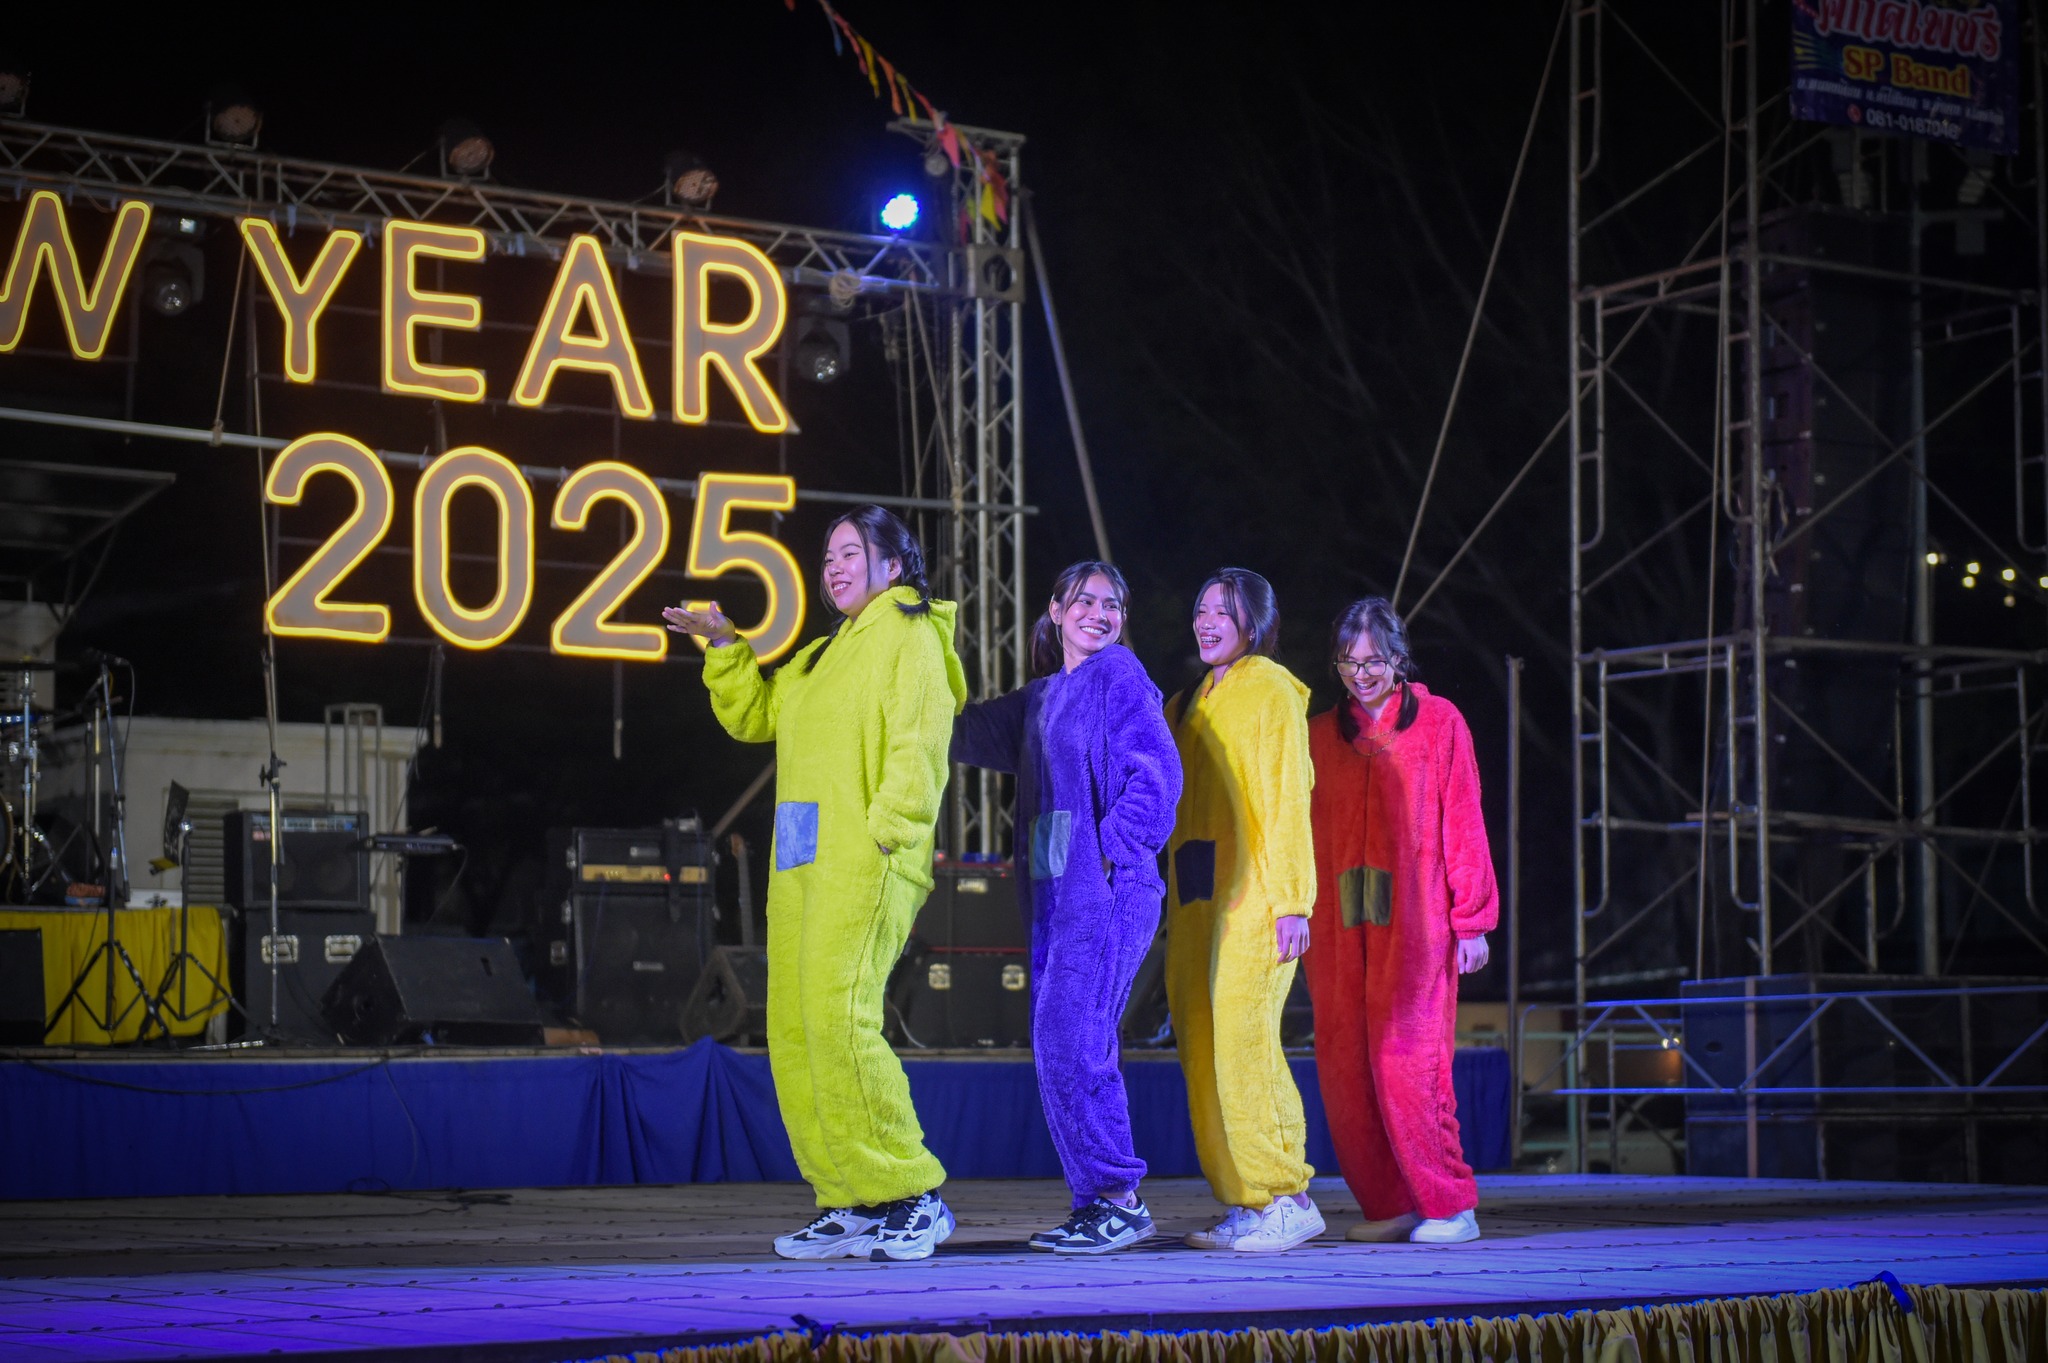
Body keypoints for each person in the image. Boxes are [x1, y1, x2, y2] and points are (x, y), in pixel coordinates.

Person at [661, 506, 966, 1263]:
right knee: (797, 1031)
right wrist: (725, 646)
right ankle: (847, 1193)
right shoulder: (823, 654)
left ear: (893, 564)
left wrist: (891, 828)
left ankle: (912, 1192)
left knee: (841, 1018)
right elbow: (757, 716)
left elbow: (922, 734)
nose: (833, 566)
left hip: (864, 858)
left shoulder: (909, 631)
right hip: (801, 866)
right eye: (828, 556)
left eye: (850, 552)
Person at [950, 561, 1182, 1254]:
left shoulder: (1120, 675)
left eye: (1112, 604)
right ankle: (1099, 1200)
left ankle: (1118, 1198)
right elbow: (964, 731)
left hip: (1107, 891)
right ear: (1055, 610)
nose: (1099, 613)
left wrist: (1113, 851)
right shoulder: (1045, 695)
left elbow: (1159, 773)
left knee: (1074, 1038)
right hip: (1056, 897)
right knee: (1064, 1042)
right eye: (1085, 601)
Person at [1300, 597, 1498, 1246]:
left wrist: (1472, 920)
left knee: (1409, 1061)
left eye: (1374, 661)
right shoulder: (1321, 735)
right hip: (1339, 919)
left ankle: (1448, 1202)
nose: (1361, 674)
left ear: (1398, 659)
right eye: (1348, 662)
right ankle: (1388, 1201)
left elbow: (1463, 819)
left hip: (1416, 921)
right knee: (1344, 1065)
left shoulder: (1439, 723)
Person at [1164, 568, 1324, 1253]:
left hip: (1256, 894)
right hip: (1195, 894)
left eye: (1222, 612)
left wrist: (1292, 901)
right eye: (1200, 609)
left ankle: (1287, 1194)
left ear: (1253, 623)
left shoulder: (1272, 690)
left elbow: (1288, 797)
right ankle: (1244, 1198)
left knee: (1245, 1039)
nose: (1206, 622)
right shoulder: (1187, 701)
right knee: (1201, 1044)